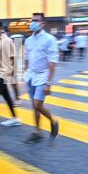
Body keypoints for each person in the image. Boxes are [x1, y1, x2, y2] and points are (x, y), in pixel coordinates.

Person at [23, 13, 59, 143]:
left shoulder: (50, 39)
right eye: (32, 20)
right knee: (34, 105)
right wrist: (25, 72)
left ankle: (53, 121)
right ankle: (37, 131)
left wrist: (48, 83)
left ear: (42, 23)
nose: (33, 22)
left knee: (37, 104)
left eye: (36, 20)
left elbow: (52, 62)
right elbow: (27, 58)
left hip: (43, 76)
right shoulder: (28, 40)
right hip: (31, 76)